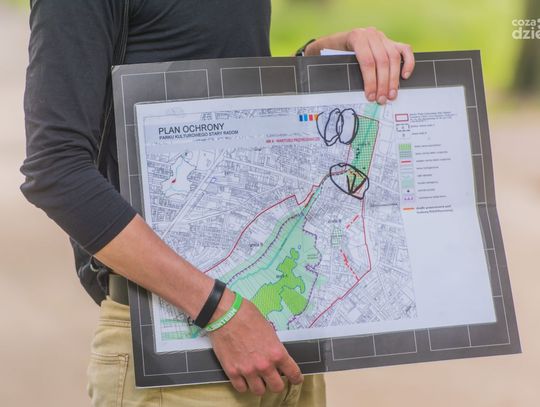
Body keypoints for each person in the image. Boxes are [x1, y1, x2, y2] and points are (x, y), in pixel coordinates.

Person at [21, 1, 415, 406]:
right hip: (181, 352)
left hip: (278, 333)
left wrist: (319, 60)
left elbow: (231, 104)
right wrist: (219, 312)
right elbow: (56, 170)